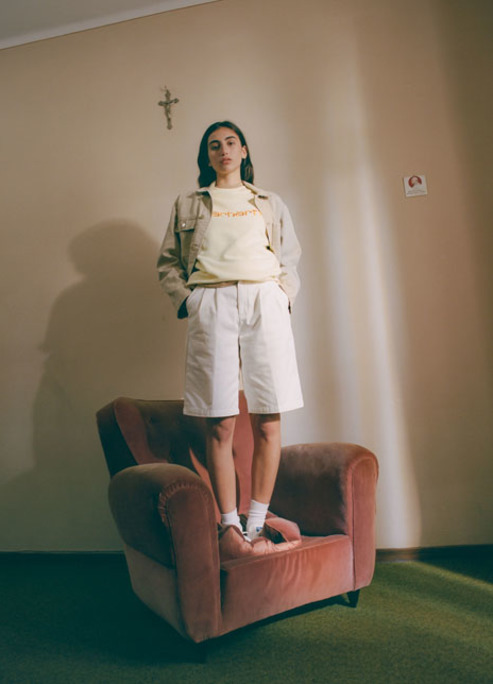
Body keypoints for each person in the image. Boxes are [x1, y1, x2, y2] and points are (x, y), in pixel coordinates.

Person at [157, 120, 303, 541]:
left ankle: (256, 521)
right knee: (219, 420)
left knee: (268, 417)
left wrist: (282, 295)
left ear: (243, 151)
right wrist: (190, 301)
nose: (223, 150)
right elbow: (168, 263)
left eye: (231, 142)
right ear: (207, 156)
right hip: (212, 301)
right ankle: (229, 526)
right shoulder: (189, 203)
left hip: (264, 301)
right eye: (214, 145)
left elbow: (289, 257)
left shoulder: (269, 202)